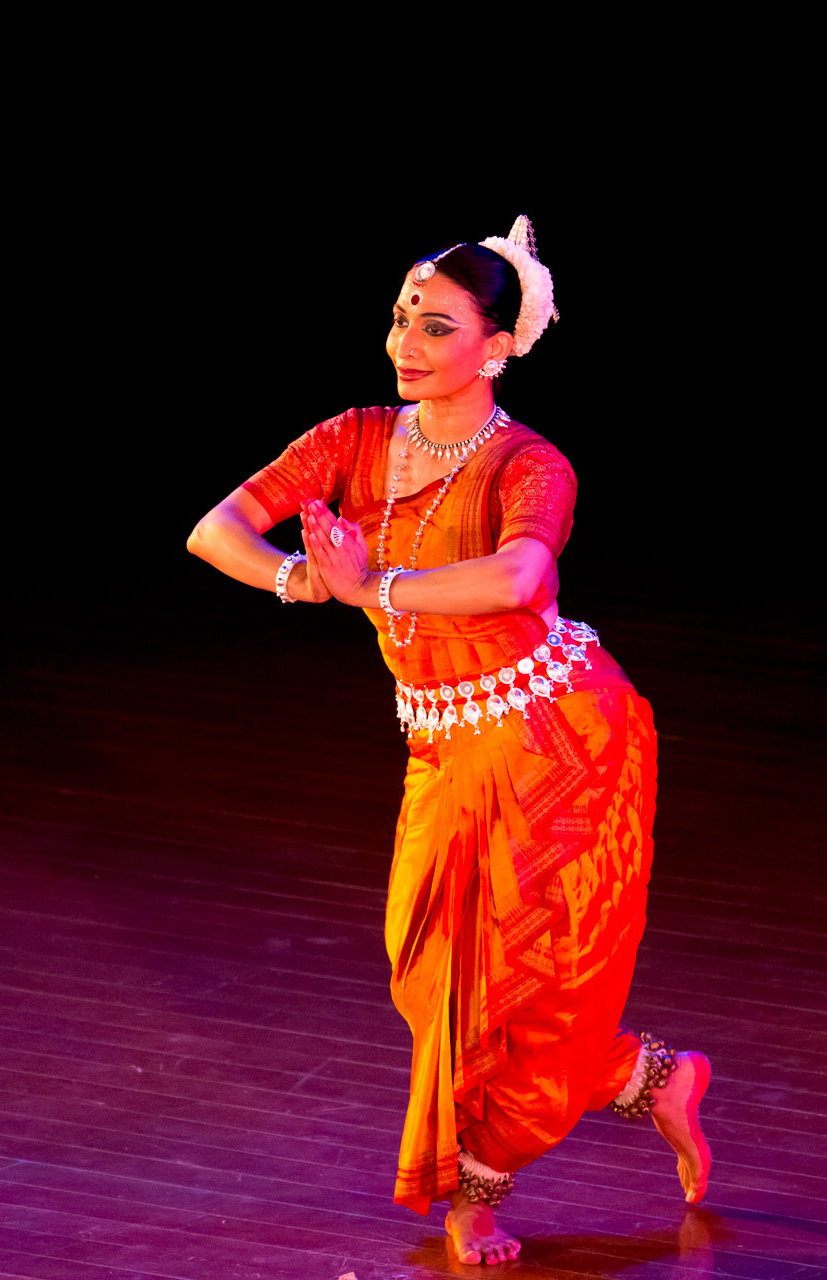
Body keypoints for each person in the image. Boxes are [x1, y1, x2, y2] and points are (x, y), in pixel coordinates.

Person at [187, 216, 711, 1267]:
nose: (406, 343)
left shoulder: (532, 464)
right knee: (427, 975)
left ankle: (478, 1195)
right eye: (399, 319)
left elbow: (519, 579)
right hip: (444, 746)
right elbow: (214, 530)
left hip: (559, 743)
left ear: (498, 345)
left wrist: (370, 588)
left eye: (436, 327)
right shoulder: (353, 438)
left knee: (528, 991)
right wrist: (300, 579)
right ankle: (647, 1076)